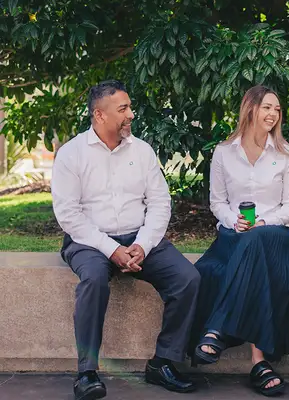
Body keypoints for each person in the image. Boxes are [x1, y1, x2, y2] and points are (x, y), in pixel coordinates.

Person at [51, 81, 200, 400]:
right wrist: (111, 249)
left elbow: (160, 202)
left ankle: (163, 363)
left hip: (139, 237)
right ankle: (87, 373)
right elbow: (69, 214)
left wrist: (143, 245)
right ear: (99, 114)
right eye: (123, 109)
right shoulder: (71, 154)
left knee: (187, 279)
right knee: (93, 280)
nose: (131, 114)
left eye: (130, 107)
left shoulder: (142, 151)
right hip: (88, 240)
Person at [189, 85, 289, 396]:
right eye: (267, 107)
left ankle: (217, 330)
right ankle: (258, 362)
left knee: (256, 240)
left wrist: (265, 222)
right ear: (250, 108)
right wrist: (232, 221)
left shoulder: (286, 155)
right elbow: (217, 202)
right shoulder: (224, 153)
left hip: (276, 237)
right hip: (233, 235)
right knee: (213, 266)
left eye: (277, 109)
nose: (273, 114)